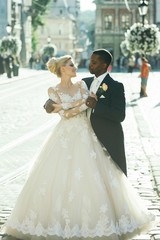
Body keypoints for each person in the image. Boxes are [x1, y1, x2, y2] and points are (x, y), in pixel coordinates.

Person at [2, 55, 155, 240]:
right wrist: (54, 107)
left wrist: (64, 106)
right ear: (62, 69)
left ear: (104, 65)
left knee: (93, 174)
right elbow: (64, 113)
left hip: (87, 133)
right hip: (64, 136)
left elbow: (84, 106)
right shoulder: (55, 89)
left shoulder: (84, 84)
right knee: (56, 176)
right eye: (71, 65)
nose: (78, 66)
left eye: (91, 62)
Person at [83, 49, 127, 175]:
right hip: (86, 137)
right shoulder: (85, 82)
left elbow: (120, 115)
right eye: (90, 61)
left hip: (108, 138)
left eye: (94, 62)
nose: (90, 64)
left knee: (110, 175)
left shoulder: (115, 86)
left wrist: (97, 105)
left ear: (104, 65)